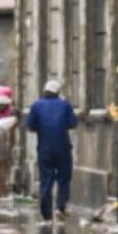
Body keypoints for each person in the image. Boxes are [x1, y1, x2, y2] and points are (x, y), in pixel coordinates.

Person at [27, 79, 78, 221]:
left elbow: (30, 127)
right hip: (63, 147)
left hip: (44, 149)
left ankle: (46, 215)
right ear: (58, 92)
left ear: (45, 91)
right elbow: (73, 123)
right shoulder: (65, 105)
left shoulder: (36, 105)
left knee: (46, 180)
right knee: (64, 178)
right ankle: (60, 207)